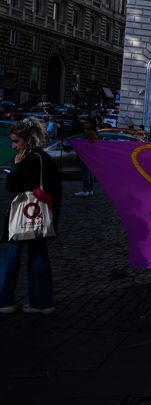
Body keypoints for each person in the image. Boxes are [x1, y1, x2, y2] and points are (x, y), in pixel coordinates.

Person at [0, 118, 62, 314]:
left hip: (20, 220)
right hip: (42, 219)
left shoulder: (27, 160)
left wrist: (16, 168)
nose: (13, 145)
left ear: (27, 139)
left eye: (16, 141)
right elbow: (56, 193)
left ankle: (5, 301)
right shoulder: (47, 159)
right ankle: (42, 302)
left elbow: (12, 187)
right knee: (39, 259)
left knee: (10, 259)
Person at [75, 124, 98, 197]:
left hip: (86, 159)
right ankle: (90, 190)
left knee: (86, 175)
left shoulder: (87, 140)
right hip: (92, 159)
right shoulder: (94, 140)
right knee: (91, 175)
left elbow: (83, 149)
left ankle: (85, 190)